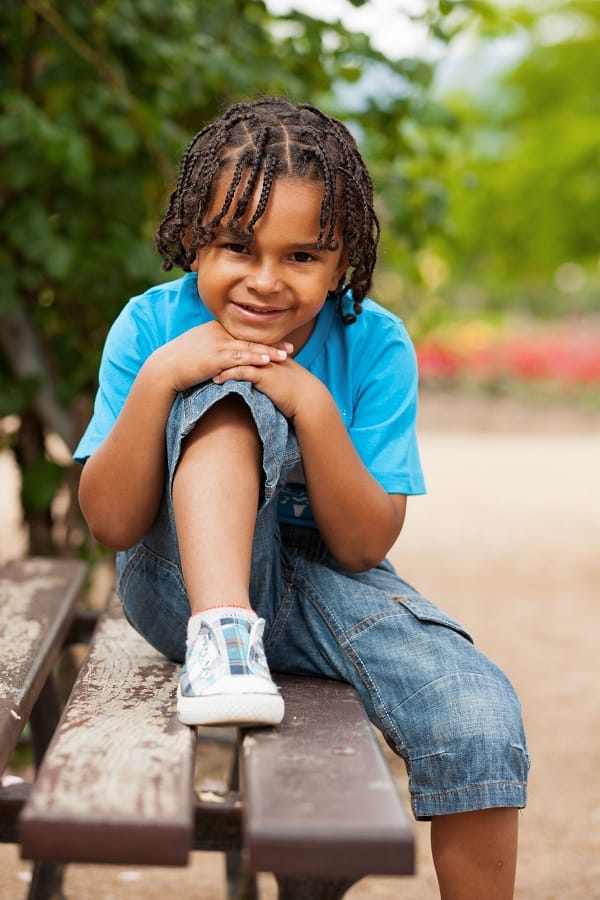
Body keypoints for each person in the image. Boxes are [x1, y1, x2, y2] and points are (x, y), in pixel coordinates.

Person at [75, 97, 529, 898]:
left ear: (342, 256)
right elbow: (111, 520)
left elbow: (363, 548)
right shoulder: (151, 327)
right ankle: (225, 645)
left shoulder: (375, 344)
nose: (264, 280)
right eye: (236, 247)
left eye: (301, 257)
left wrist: (311, 406)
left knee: (478, 709)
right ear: (192, 239)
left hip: (323, 583)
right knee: (231, 398)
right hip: (179, 585)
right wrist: (162, 379)